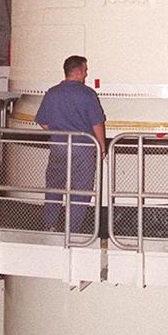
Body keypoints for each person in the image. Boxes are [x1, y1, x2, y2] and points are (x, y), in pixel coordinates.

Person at [35, 55, 106, 233]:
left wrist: (58, 131)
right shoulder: (87, 94)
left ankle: (50, 224)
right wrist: (102, 146)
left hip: (58, 145)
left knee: (54, 185)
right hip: (83, 147)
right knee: (81, 189)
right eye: (85, 70)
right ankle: (72, 229)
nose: (86, 73)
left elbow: (42, 121)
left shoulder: (52, 92)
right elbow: (97, 123)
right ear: (79, 71)